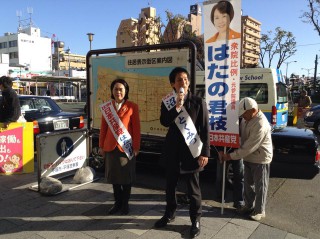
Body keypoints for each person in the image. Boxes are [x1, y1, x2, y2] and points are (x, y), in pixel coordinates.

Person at [154, 67, 210, 238]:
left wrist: (205, 153)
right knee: (170, 187)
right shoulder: (168, 102)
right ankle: (169, 213)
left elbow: (205, 129)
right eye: (179, 79)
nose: (183, 82)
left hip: (192, 152)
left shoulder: (198, 102)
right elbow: (164, 121)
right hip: (172, 151)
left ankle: (196, 220)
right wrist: (177, 107)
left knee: (193, 190)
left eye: (186, 79)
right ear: (172, 83)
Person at [220, 97, 273, 221]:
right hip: (248, 157)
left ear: (253, 110)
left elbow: (249, 147)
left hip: (260, 158)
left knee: (261, 186)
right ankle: (248, 206)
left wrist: (230, 156)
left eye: (244, 114)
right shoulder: (246, 119)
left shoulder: (261, 123)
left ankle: (260, 211)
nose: (243, 117)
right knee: (249, 184)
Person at [99, 78, 141, 215]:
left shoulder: (132, 107)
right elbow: (103, 129)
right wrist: (101, 146)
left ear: (126, 91)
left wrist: (136, 147)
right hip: (110, 148)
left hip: (126, 148)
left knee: (126, 179)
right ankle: (117, 203)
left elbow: (136, 129)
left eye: (121, 89)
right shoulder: (107, 108)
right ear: (112, 91)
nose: (118, 92)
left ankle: (125, 204)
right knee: (114, 179)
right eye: (116, 89)